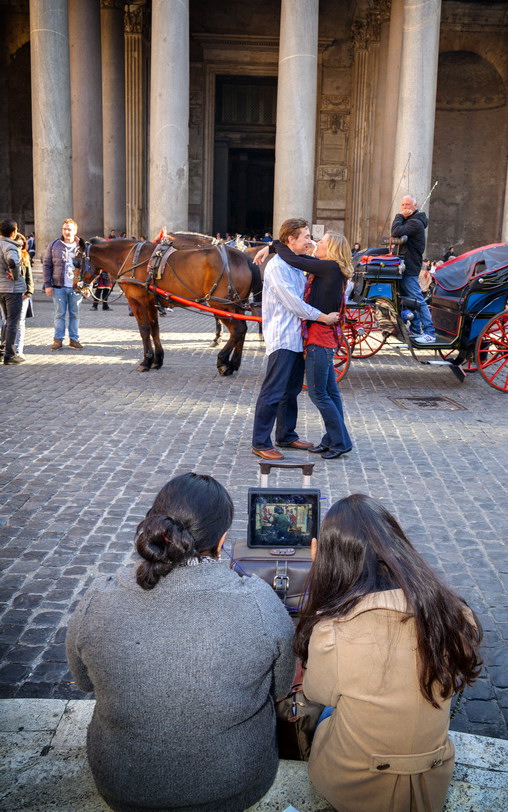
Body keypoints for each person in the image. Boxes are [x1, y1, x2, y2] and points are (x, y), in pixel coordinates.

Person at [66, 472, 295, 812]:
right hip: (238, 783)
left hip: (123, 784)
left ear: (153, 528)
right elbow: (281, 686)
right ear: (221, 542)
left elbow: (83, 682)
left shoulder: (97, 598)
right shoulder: (260, 603)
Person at [295, 494, 482, 812]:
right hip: (431, 774)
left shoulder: (333, 632)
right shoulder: (454, 613)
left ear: (330, 558)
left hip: (355, 780)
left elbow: (316, 693)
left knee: (320, 712)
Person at [251, 218, 339, 461]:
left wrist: (270, 245)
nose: (309, 240)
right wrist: (322, 317)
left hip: (297, 337)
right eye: (305, 237)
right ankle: (260, 441)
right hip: (283, 337)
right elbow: (294, 303)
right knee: (273, 391)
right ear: (291, 240)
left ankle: (286, 434)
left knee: (290, 391)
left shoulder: (295, 265)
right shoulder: (277, 267)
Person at [391, 196, 437, 344]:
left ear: (415, 206)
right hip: (405, 265)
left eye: (408, 204)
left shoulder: (415, 223)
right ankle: (416, 330)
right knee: (410, 300)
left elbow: (395, 231)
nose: (405, 207)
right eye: (402, 204)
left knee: (417, 299)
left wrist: (399, 216)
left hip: (409, 266)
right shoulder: (411, 221)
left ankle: (430, 332)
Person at [42, 218, 84, 350]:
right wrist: (48, 285)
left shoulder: (82, 246)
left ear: (75, 230)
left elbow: (88, 268)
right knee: (59, 314)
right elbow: (47, 265)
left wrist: (88, 286)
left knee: (74, 314)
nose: (67, 231)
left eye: (69, 229)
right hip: (58, 286)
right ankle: (58, 339)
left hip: (76, 287)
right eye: (64, 229)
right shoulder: (54, 245)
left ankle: (74, 339)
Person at [0, 218, 26, 364]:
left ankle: (2, 350)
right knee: (13, 322)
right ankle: (10, 354)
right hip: (11, 289)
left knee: (6, 320)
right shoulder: (10, 246)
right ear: (14, 232)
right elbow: (13, 262)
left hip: (1, 288)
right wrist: (15, 275)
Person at [14, 232, 34, 358]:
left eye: (22, 245)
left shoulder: (25, 257)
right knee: (7, 322)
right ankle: (6, 347)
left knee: (20, 322)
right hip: (8, 292)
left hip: (22, 294)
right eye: (17, 244)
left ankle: (18, 350)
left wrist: (29, 291)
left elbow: (29, 276)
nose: (20, 247)